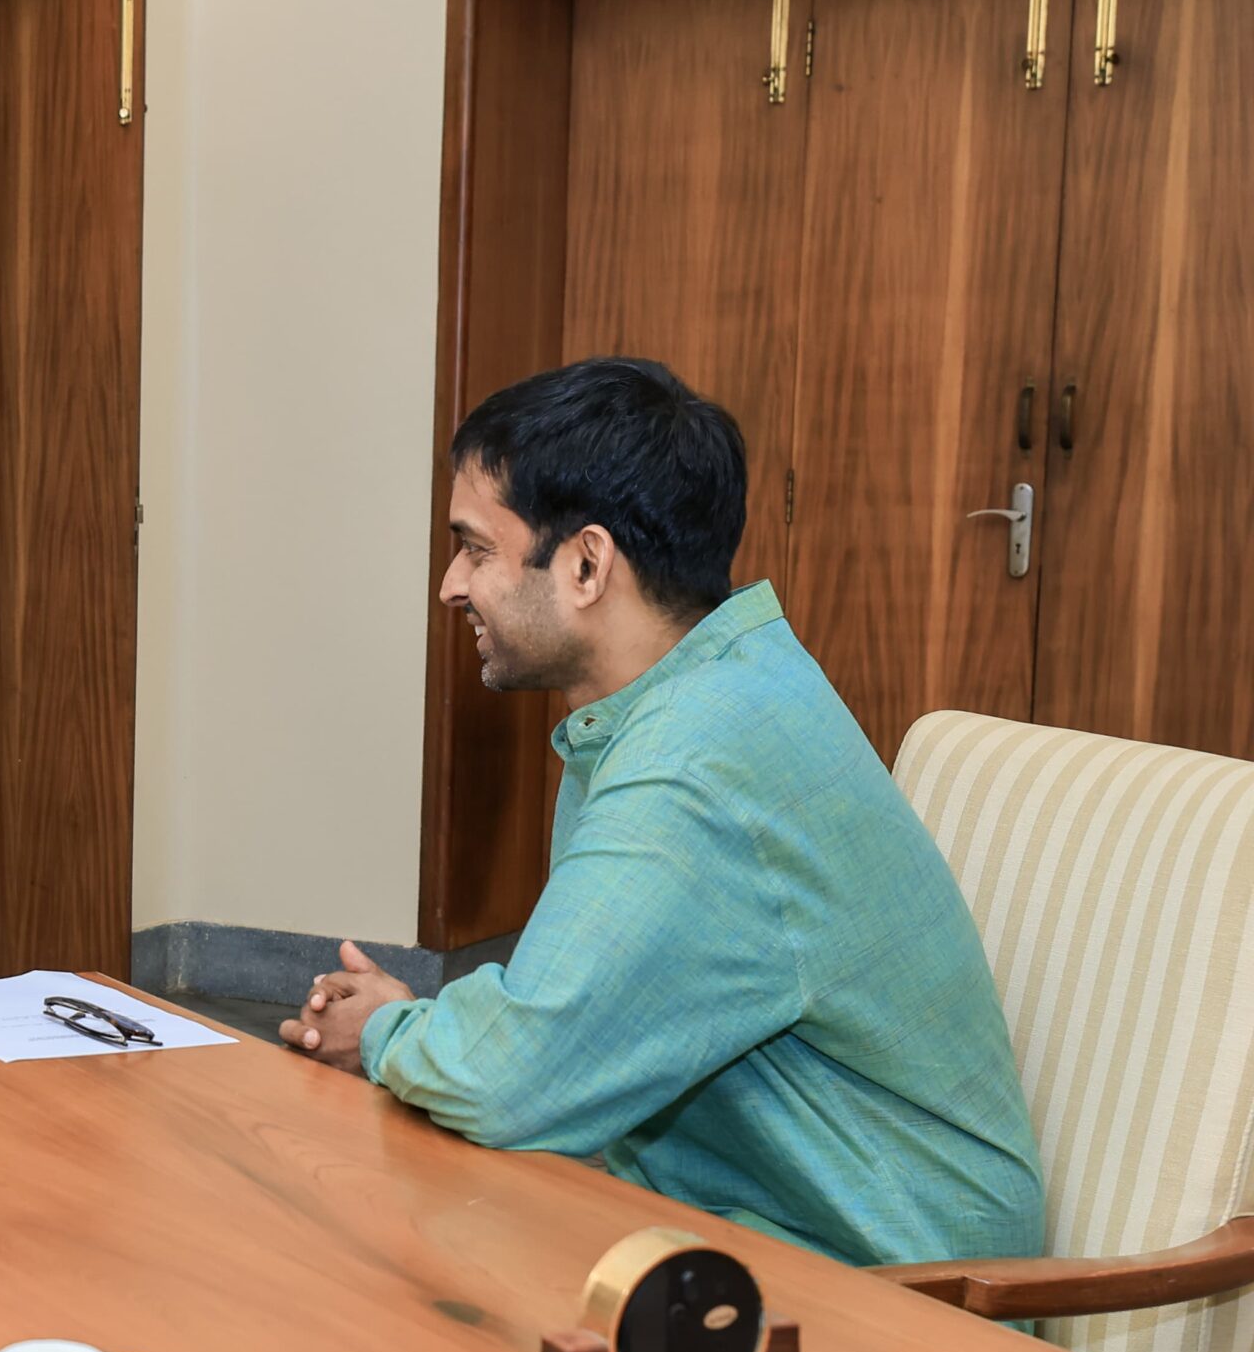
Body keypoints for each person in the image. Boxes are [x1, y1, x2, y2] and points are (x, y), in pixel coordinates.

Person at [284, 358, 1044, 1269]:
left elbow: (512, 1081)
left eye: (476, 548)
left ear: (587, 563)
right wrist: (425, 1034)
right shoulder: (690, 698)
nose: (452, 584)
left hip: (905, 1298)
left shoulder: (695, 761)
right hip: (747, 1237)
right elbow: (570, 1022)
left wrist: (384, 1032)